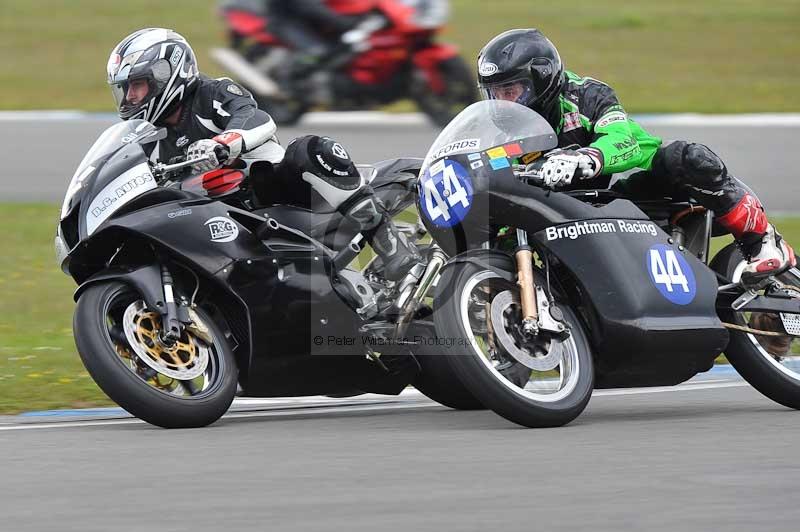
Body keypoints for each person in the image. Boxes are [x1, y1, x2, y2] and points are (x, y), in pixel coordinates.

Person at [476, 28, 795, 284]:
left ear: (541, 79)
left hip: (628, 196)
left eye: (511, 90)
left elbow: (622, 139)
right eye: (494, 92)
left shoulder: (585, 94)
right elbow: (492, 169)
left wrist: (585, 159)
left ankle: (762, 241)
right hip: (564, 215)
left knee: (685, 156)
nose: (502, 101)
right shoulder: (503, 129)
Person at [106, 27, 420, 281]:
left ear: (165, 73)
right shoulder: (150, 137)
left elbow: (256, 119)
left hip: (275, 189)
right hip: (223, 219)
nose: (130, 97)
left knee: (308, 149)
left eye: (137, 86)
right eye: (125, 89)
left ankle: (389, 243)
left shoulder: (212, 93)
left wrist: (223, 143)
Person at [265, 0, 361, 78]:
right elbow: (311, 8)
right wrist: (346, 24)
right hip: (286, 24)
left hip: (309, 22)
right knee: (319, 52)